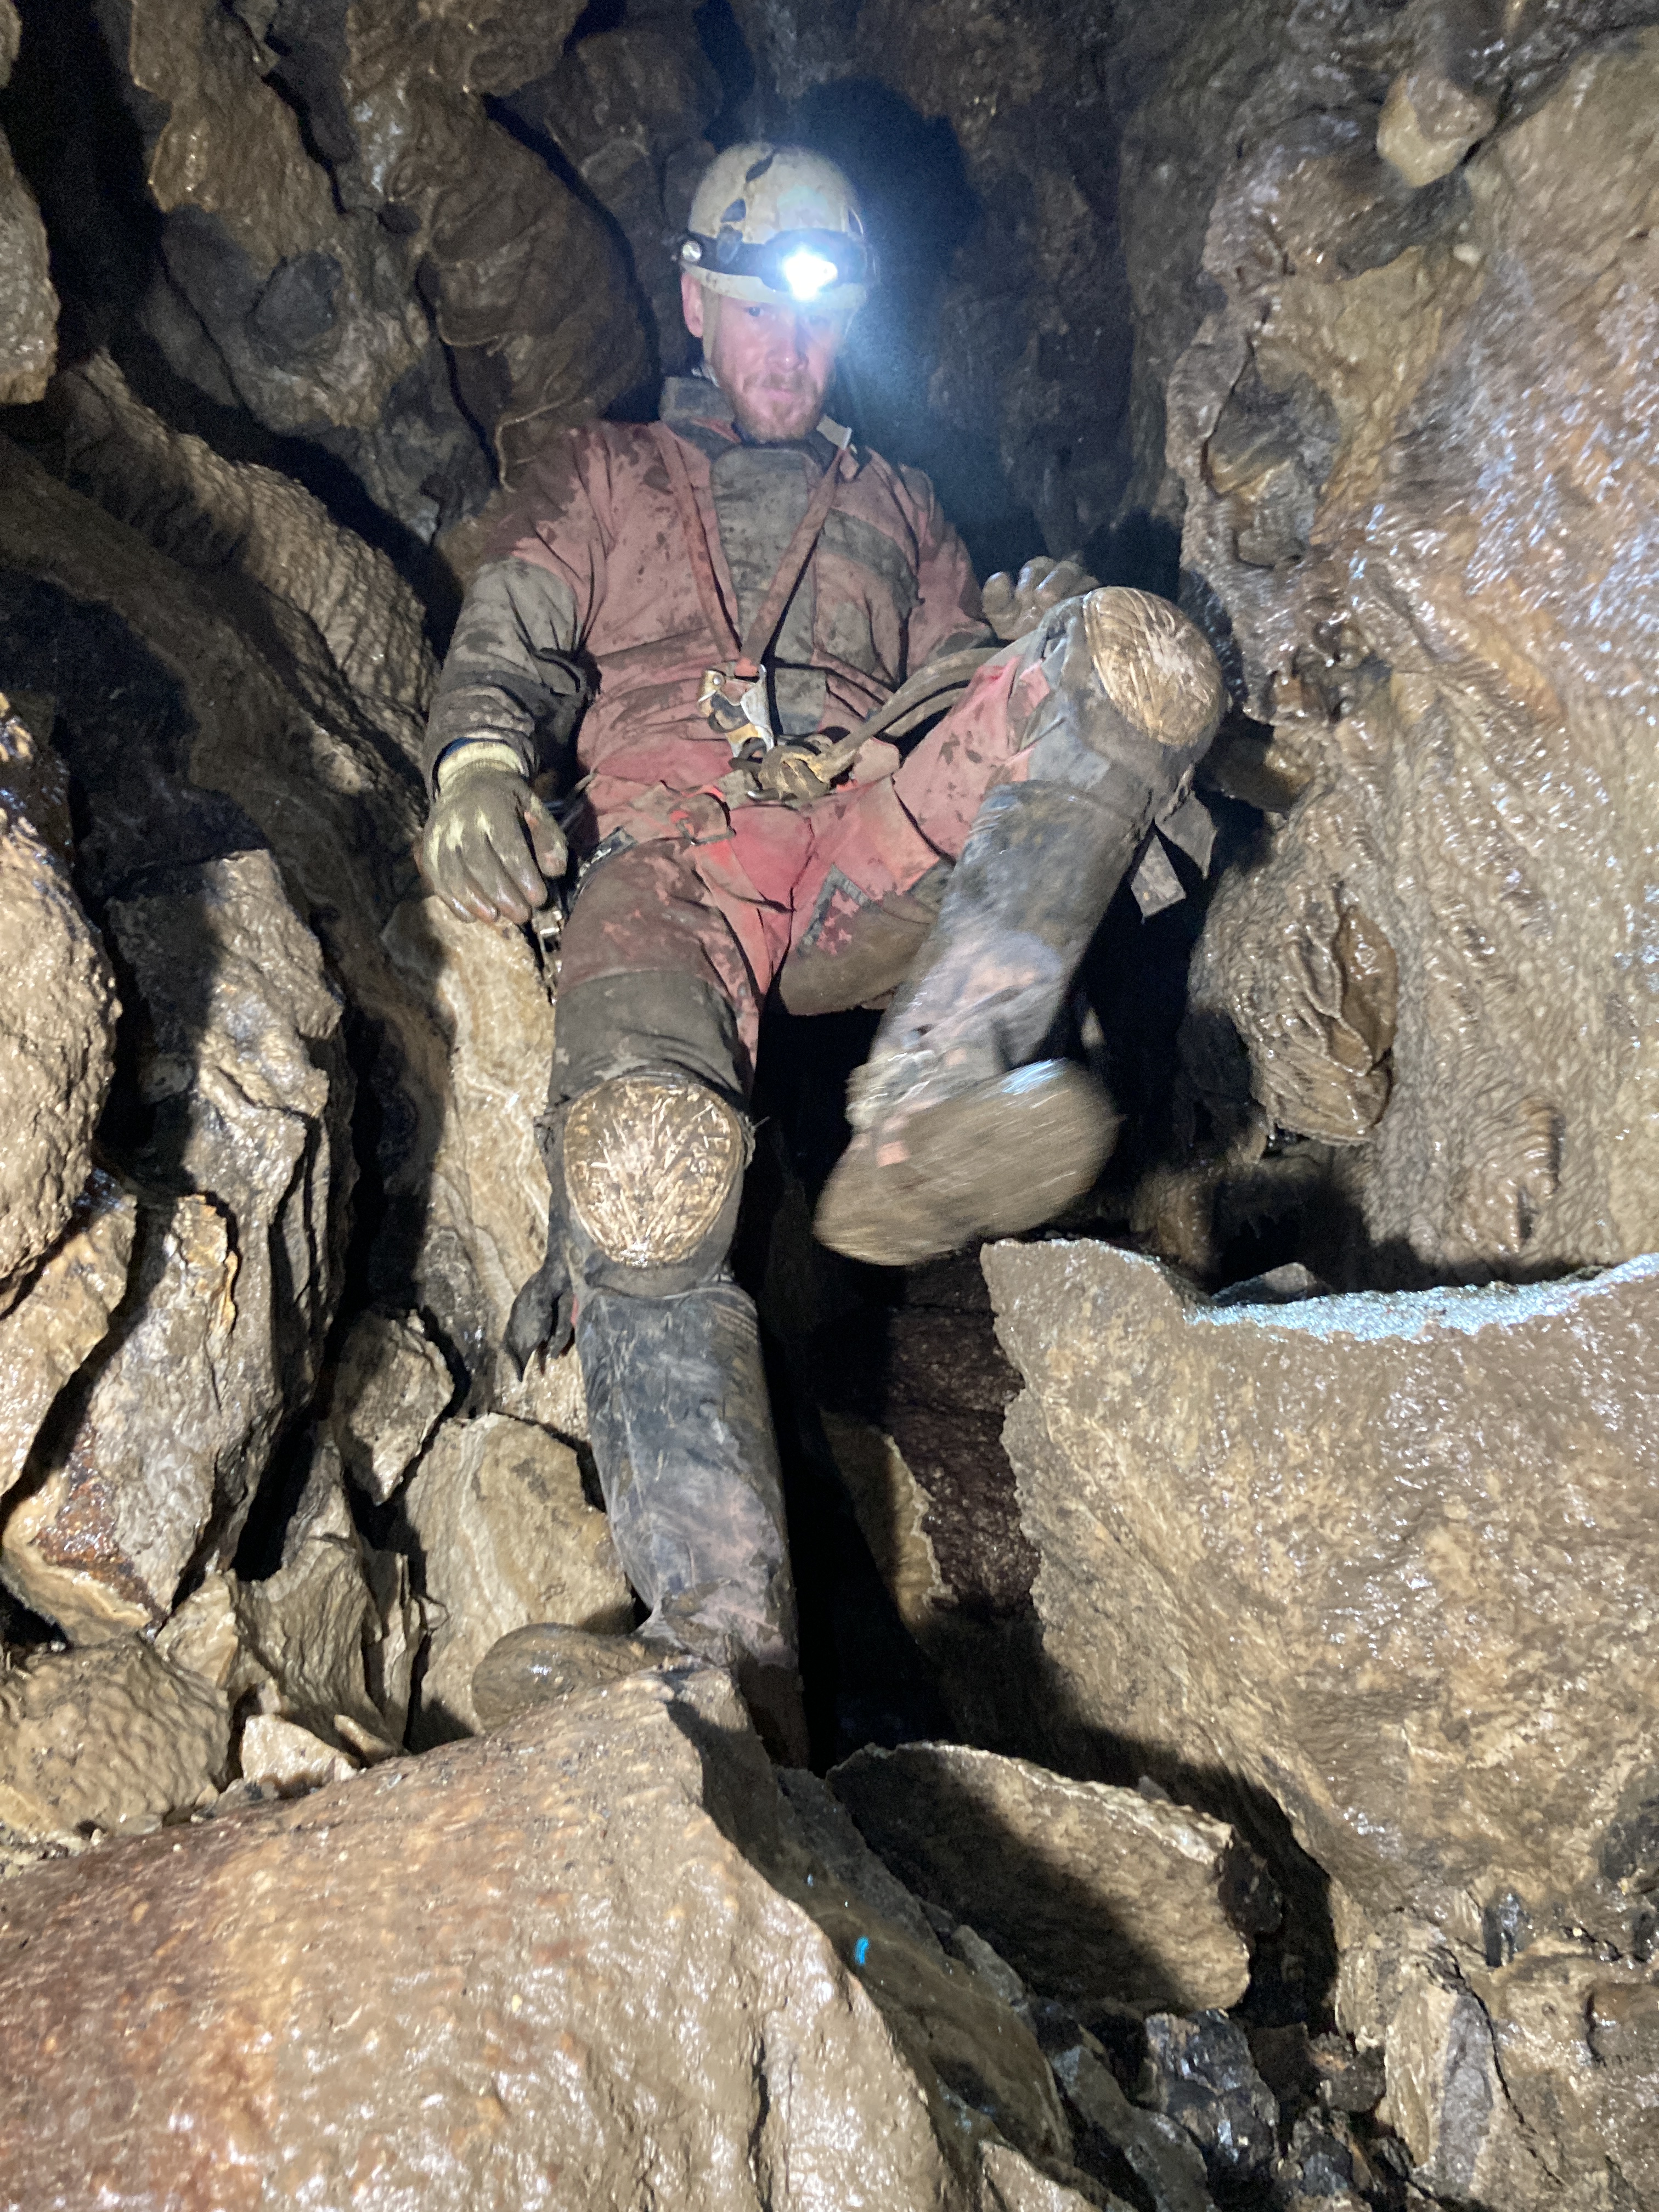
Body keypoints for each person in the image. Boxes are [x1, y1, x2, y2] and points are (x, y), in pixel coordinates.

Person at [419, 143, 1224, 1758]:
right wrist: (481, 764)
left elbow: (967, 690)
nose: (794, 354)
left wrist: (1033, 622)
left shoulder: (902, 510)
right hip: (676, 860)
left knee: (1132, 657)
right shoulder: (606, 471)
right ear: (701, 305)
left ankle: (944, 1089)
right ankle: (721, 1663)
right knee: (648, 1160)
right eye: (763, 315)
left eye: (824, 321)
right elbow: (510, 631)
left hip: (866, 850)